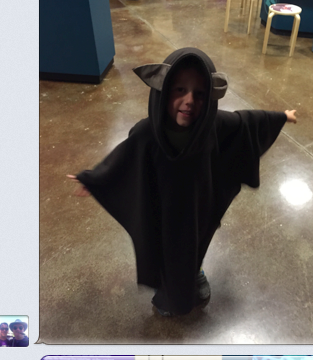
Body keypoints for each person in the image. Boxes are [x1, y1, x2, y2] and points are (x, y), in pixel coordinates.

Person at [68, 47, 297, 316]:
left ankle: (194, 270)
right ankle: (168, 293)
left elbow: (245, 122)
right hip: (162, 211)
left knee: (195, 247)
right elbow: (124, 159)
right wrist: (96, 179)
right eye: (179, 90)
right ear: (163, 91)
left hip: (199, 208)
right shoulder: (146, 134)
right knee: (167, 254)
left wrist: (281, 116)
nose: (189, 100)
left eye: (199, 94)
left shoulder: (212, 126)